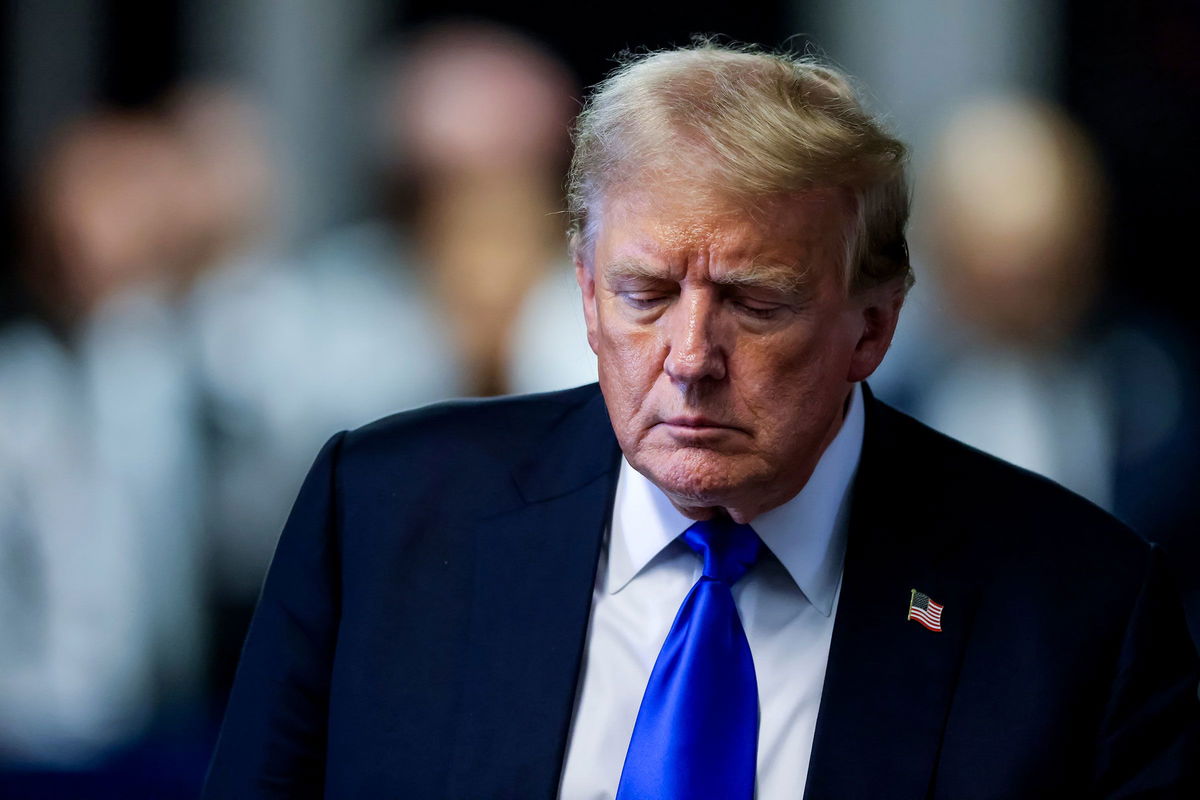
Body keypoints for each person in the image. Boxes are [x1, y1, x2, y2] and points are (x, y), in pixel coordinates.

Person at [203, 43, 1199, 798]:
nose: (689, 356)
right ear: (585, 294)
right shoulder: (381, 518)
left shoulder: (1079, 612)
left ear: (874, 325)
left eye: (755, 301)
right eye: (643, 293)